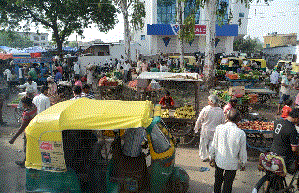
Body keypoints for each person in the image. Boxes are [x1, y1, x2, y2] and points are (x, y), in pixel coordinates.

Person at [209, 109, 247, 193]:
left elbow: (214, 144)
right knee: (228, 184)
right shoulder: (241, 133)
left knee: (218, 182)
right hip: (232, 164)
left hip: (219, 161)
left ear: (226, 117)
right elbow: (242, 151)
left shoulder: (219, 128)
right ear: (238, 120)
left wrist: (211, 157)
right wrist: (243, 163)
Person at [194, 95, 225, 162]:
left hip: (206, 130)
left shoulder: (205, 109)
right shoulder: (220, 111)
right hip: (215, 131)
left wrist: (197, 128)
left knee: (203, 144)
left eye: (208, 100)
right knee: (212, 145)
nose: (208, 101)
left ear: (211, 101)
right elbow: (223, 122)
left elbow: (199, 120)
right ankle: (212, 157)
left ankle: (204, 157)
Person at [9, 96, 37, 168]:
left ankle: (25, 163)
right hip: (34, 130)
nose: (22, 105)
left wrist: (13, 138)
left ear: (25, 104)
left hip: (28, 131)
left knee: (26, 148)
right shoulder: (34, 107)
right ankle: (26, 161)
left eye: (23, 103)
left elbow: (22, 127)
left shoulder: (27, 113)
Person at [271, 108, 299, 175]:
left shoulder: (277, 122)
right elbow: (294, 149)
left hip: (272, 151)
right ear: (297, 118)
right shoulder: (292, 129)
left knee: (269, 174)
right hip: (283, 156)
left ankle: (267, 185)